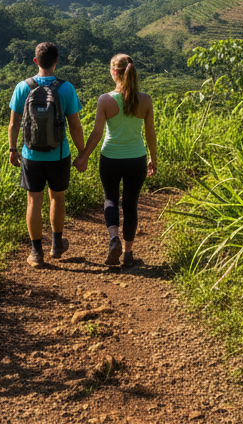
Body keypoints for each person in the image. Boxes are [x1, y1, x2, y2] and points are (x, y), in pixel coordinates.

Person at [75, 53, 157, 268]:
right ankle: (128, 254)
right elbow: (150, 134)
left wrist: (83, 156)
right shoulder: (145, 100)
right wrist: (153, 158)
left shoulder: (105, 100)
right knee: (130, 205)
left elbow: (97, 133)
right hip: (136, 158)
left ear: (114, 72)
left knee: (110, 199)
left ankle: (114, 239)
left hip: (110, 157)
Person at [8, 41, 85, 268]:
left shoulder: (23, 87)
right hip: (59, 154)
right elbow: (75, 126)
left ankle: (36, 252)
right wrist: (82, 153)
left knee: (34, 201)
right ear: (56, 61)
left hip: (30, 155)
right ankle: (56, 245)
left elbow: (13, 124)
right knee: (57, 198)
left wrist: (13, 150)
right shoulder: (66, 88)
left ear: (35, 61)